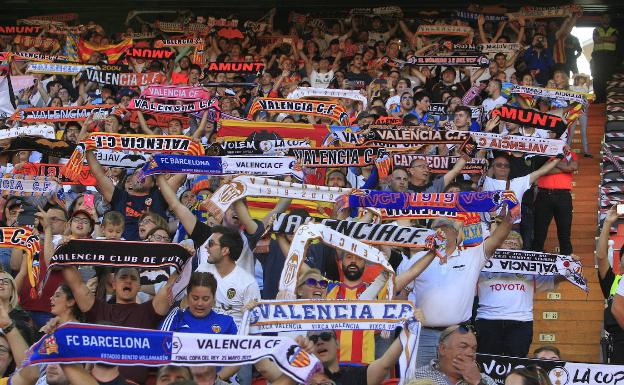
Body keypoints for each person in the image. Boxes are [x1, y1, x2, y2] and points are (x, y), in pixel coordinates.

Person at [399, 212, 514, 366]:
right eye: (436, 228)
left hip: (457, 335)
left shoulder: (471, 256)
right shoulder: (419, 258)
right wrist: (403, 323)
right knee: (420, 380)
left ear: (456, 233)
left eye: (445, 228)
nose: (440, 233)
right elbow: (403, 294)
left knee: (456, 379)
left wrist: (511, 217)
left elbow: (497, 240)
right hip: (423, 334)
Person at [308, 329, 409, 385]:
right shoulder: (301, 378)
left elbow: (385, 364)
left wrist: (408, 330)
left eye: (326, 336)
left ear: (337, 343)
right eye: (313, 339)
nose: (320, 342)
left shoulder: (355, 374)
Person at [410, 325, 496, 385]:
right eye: (463, 346)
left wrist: (477, 382)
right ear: (442, 349)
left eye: (474, 348)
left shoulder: (484, 379)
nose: (470, 353)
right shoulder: (418, 376)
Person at [160, 271, 237, 334]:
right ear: (187, 297)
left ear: (213, 298)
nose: (200, 303)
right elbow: (160, 344)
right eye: (195, 298)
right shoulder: (176, 317)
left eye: (205, 299)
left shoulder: (226, 320)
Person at [531, 152, 578, 255]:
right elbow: (540, 171)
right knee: (539, 230)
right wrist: (564, 167)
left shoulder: (569, 153)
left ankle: (566, 260)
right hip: (544, 194)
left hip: (563, 195)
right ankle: (534, 259)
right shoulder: (542, 152)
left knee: (564, 231)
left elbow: (573, 167)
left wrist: (551, 163)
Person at [597, 206, 624, 363]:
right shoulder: (613, 282)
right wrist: (607, 222)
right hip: (617, 345)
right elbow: (601, 257)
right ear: (619, 262)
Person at [591, 14, 618, 103]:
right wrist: (608, 38)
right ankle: (599, 98)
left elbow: (614, 39)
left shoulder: (614, 30)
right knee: (597, 77)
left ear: (609, 19)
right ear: (601, 19)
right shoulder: (596, 29)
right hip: (598, 56)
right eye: (604, 17)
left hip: (610, 57)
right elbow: (596, 40)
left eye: (608, 17)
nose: (606, 19)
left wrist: (602, 38)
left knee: (608, 77)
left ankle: (609, 99)